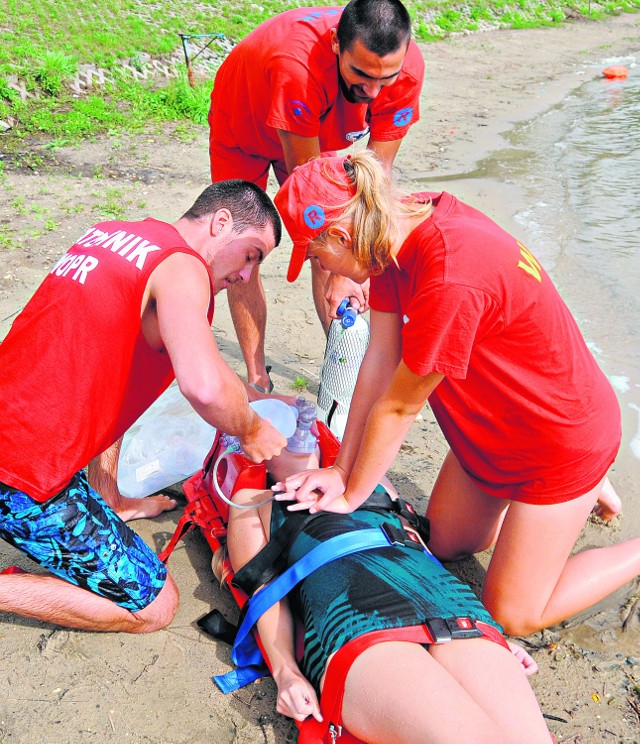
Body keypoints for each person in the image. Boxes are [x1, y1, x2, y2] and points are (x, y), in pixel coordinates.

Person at [270, 151, 640, 638]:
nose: (320, 268)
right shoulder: (393, 227)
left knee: (512, 614)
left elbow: (400, 405)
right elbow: (379, 360)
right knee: (444, 542)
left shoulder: (451, 274)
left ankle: (612, 521)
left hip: (559, 439)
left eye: (317, 257)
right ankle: (569, 497)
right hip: (491, 429)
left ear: (341, 236)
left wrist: (353, 494)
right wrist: (341, 470)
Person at [0, 180, 288, 633]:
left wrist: (259, 397)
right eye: (252, 254)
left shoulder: (113, 233)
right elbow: (205, 385)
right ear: (221, 222)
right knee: (155, 606)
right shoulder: (183, 269)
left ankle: (108, 497)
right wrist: (252, 429)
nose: (248, 276)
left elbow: (107, 372)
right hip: (21, 472)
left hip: (15, 424)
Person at [217, 446, 553, 744]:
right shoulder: (253, 500)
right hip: (356, 622)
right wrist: (285, 671)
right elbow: (264, 594)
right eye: (285, 425)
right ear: (263, 447)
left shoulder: (370, 479)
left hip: (449, 604)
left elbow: (419, 551)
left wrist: (495, 635)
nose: (300, 428)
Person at [208, 0, 424, 392]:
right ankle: (258, 378)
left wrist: (356, 264)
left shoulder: (402, 71)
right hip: (243, 125)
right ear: (336, 45)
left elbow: (377, 178)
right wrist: (344, 267)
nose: (374, 90)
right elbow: (311, 196)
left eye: (385, 78)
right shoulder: (298, 66)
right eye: (361, 74)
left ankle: (344, 363)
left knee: (339, 245)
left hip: (315, 124)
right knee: (242, 246)